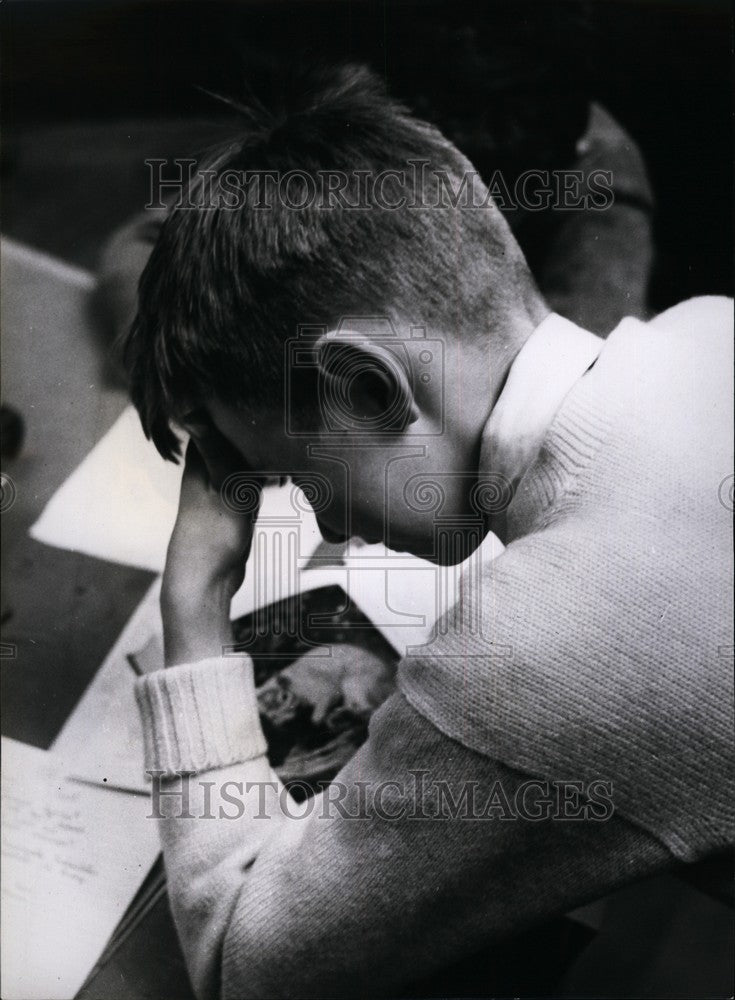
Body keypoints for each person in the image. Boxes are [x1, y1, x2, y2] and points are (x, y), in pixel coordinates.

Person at [124, 66, 733, 999]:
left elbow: (240, 967)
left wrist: (195, 599)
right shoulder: (708, 329)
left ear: (369, 386)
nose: (325, 522)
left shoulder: (538, 652)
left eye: (296, 473)